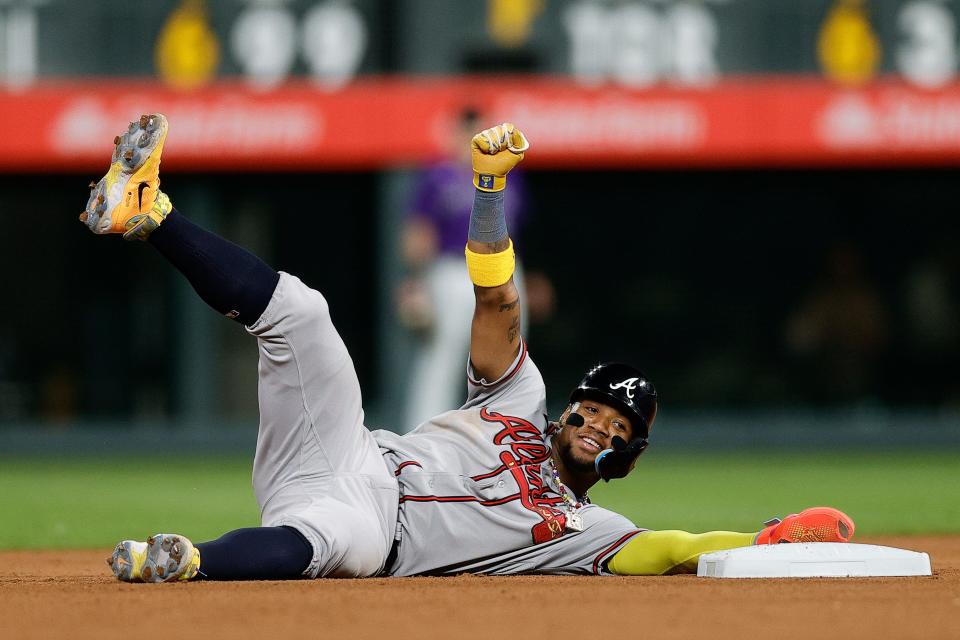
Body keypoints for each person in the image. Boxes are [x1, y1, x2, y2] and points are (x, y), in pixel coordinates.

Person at [85, 115, 854, 582]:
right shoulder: (517, 399)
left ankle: (184, 560)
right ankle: (147, 211)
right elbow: (497, 297)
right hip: (350, 453)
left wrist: (759, 542)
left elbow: (674, 550)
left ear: (628, 458)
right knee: (304, 314)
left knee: (332, 542)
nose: (600, 428)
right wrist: (487, 193)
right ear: (568, 407)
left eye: (619, 432)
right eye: (594, 411)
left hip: (376, 529)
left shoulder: (587, 534)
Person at [397, 107, 538, 429]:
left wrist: (529, 277)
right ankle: (420, 440)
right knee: (443, 358)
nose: (467, 141)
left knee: (512, 358)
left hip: (505, 272)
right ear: (452, 135)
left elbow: (520, 229)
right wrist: (414, 282)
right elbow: (419, 233)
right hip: (452, 272)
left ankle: (510, 433)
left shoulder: (508, 175)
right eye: (464, 133)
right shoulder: (437, 176)